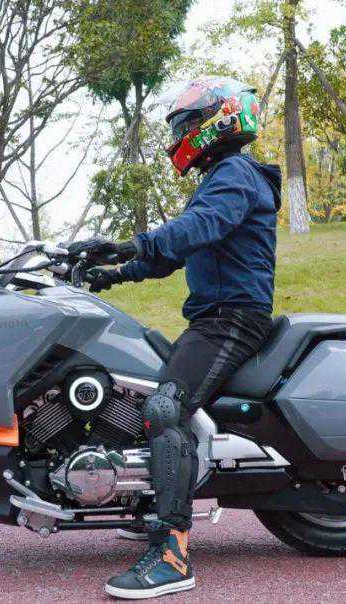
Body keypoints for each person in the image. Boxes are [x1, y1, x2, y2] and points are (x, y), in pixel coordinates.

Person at [67, 76, 281, 599]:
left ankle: (171, 554)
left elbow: (197, 227)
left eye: (186, 124)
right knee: (134, 388)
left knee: (165, 408)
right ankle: (149, 503)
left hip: (231, 319)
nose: (179, 135)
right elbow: (174, 252)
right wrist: (114, 273)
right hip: (216, 316)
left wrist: (128, 244)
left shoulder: (235, 174)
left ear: (218, 121)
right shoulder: (224, 176)